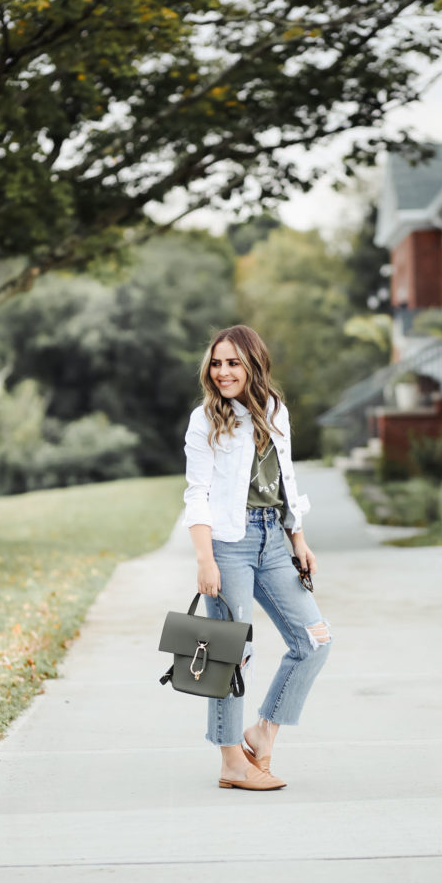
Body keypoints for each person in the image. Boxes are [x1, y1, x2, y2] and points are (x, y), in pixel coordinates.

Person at [183, 324, 332, 790]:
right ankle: (230, 761)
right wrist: (205, 560)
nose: (223, 371)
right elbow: (197, 493)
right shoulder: (205, 419)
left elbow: (286, 476)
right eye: (216, 362)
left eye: (233, 362)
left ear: (253, 364)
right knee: (230, 654)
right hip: (228, 544)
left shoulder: (274, 411)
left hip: (273, 539)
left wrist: (298, 539)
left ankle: (262, 730)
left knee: (314, 641)